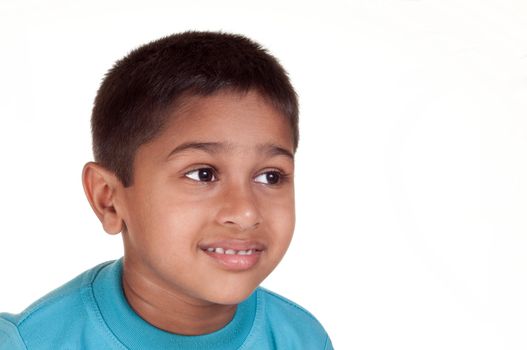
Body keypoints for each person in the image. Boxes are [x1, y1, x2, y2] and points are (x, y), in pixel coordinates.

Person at [0, 31, 333, 349]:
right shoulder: (30, 343)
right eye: (203, 174)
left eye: (270, 177)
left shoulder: (301, 339)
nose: (245, 212)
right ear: (109, 199)